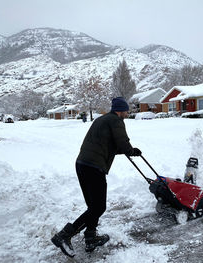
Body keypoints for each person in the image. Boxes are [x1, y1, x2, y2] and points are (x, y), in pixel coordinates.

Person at [51, 97, 142, 258]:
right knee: (98, 207)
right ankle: (64, 235)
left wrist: (127, 150)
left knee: (93, 206)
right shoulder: (116, 121)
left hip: (82, 164)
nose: (127, 113)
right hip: (94, 167)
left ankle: (91, 237)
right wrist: (131, 150)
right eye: (126, 111)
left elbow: (109, 145)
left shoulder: (102, 119)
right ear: (120, 110)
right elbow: (122, 142)